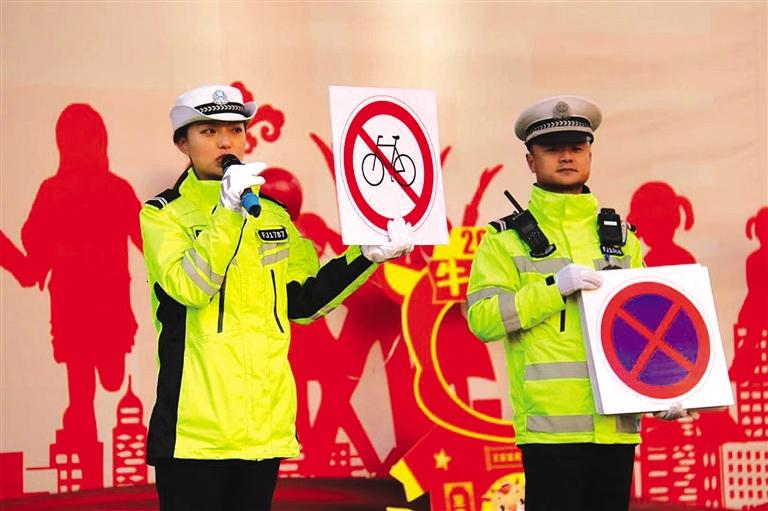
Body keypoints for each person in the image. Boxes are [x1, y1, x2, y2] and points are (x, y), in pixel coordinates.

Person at [139, 84, 413, 511]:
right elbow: (191, 287)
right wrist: (228, 215)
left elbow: (302, 302)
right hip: (195, 432)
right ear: (183, 144)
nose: (226, 142)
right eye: (209, 131)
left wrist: (366, 256)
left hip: (263, 428)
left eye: (235, 130)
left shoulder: (273, 215)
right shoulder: (163, 214)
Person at [465, 96, 696, 511]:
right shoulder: (504, 242)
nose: (566, 156)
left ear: (590, 153)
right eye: (552, 148)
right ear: (530, 160)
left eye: (576, 146)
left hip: (615, 428)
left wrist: (660, 392)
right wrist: (553, 289)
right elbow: (482, 319)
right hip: (550, 432)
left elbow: (644, 328)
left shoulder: (623, 238)